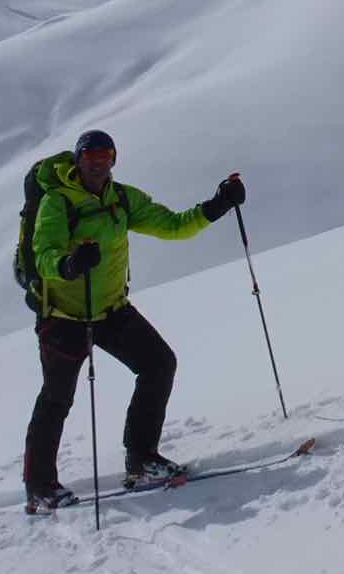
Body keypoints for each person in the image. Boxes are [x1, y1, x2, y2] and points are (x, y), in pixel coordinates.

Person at [22, 129, 246, 512]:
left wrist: (219, 204)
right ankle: (40, 487)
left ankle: (141, 460)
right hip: (64, 316)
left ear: (113, 160)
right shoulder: (58, 202)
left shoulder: (121, 199)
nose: (98, 162)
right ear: (77, 160)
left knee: (159, 364)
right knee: (57, 399)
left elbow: (175, 225)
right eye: (90, 155)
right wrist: (69, 264)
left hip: (110, 308)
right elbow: (44, 255)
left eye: (105, 155)